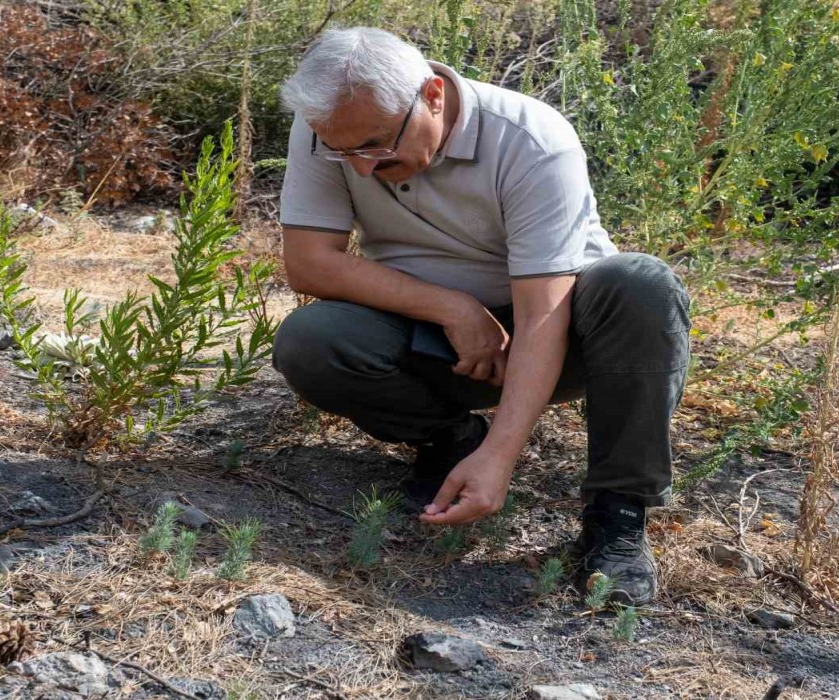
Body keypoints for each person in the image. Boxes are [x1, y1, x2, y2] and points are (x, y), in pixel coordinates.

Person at [271, 27, 689, 605]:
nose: (361, 169)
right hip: (440, 337)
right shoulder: (332, 130)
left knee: (641, 285)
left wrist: (503, 456)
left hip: (566, 335)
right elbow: (310, 265)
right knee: (312, 340)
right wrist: (453, 308)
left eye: (375, 145)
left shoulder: (532, 139)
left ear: (434, 95)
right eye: (346, 154)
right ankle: (449, 441)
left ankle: (617, 514)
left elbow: (545, 312)